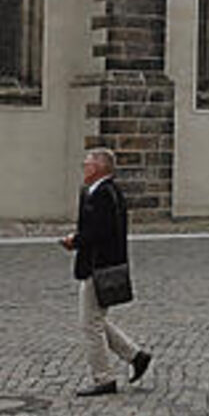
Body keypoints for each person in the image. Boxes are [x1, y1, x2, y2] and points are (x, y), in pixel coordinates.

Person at [60, 146, 152, 396]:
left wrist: (74, 240)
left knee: (90, 325)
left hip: (98, 266)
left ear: (99, 167)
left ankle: (104, 378)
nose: (84, 168)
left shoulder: (103, 194)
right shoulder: (101, 191)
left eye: (87, 164)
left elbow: (99, 233)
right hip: (98, 264)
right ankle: (136, 356)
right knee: (95, 319)